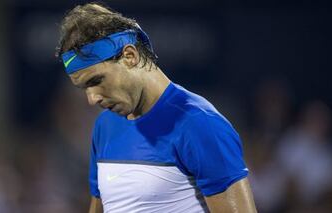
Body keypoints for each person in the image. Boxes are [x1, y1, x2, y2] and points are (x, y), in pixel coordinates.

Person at [56, 3, 256, 213]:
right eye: (84, 88)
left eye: (96, 80)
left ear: (129, 56)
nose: (92, 99)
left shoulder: (200, 124)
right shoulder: (104, 126)